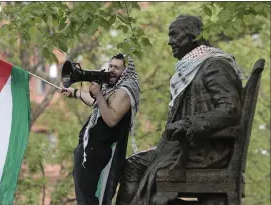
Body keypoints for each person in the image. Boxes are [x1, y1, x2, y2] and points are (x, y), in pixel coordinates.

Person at [116, 15, 243, 205]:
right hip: (190, 146)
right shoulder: (193, 68)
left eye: (175, 35)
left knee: (134, 167)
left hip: (206, 150)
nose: (170, 41)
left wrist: (189, 123)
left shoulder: (214, 65)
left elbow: (230, 109)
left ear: (192, 36)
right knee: (134, 166)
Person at [61, 53, 140, 205]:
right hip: (89, 149)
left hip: (95, 150)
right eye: (110, 66)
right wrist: (76, 93)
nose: (111, 70)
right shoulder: (114, 89)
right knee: (85, 197)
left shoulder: (125, 91)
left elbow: (110, 119)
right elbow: (97, 103)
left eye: (116, 68)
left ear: (126, 71)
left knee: (87, 199)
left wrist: (98, 94)